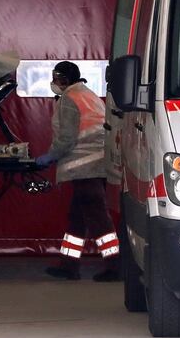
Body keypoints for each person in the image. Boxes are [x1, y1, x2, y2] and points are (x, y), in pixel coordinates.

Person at [35, 61, 119, 282]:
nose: (53, 83)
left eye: (55, 78)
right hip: (99, 164)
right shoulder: (88, 95)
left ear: (63, 79)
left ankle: (115, 265)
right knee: (77, 218)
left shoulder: (69, 100)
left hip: (84, 167)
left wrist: (50, 156)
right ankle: (68, 265)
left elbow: (67, 139)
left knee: (99, 218)